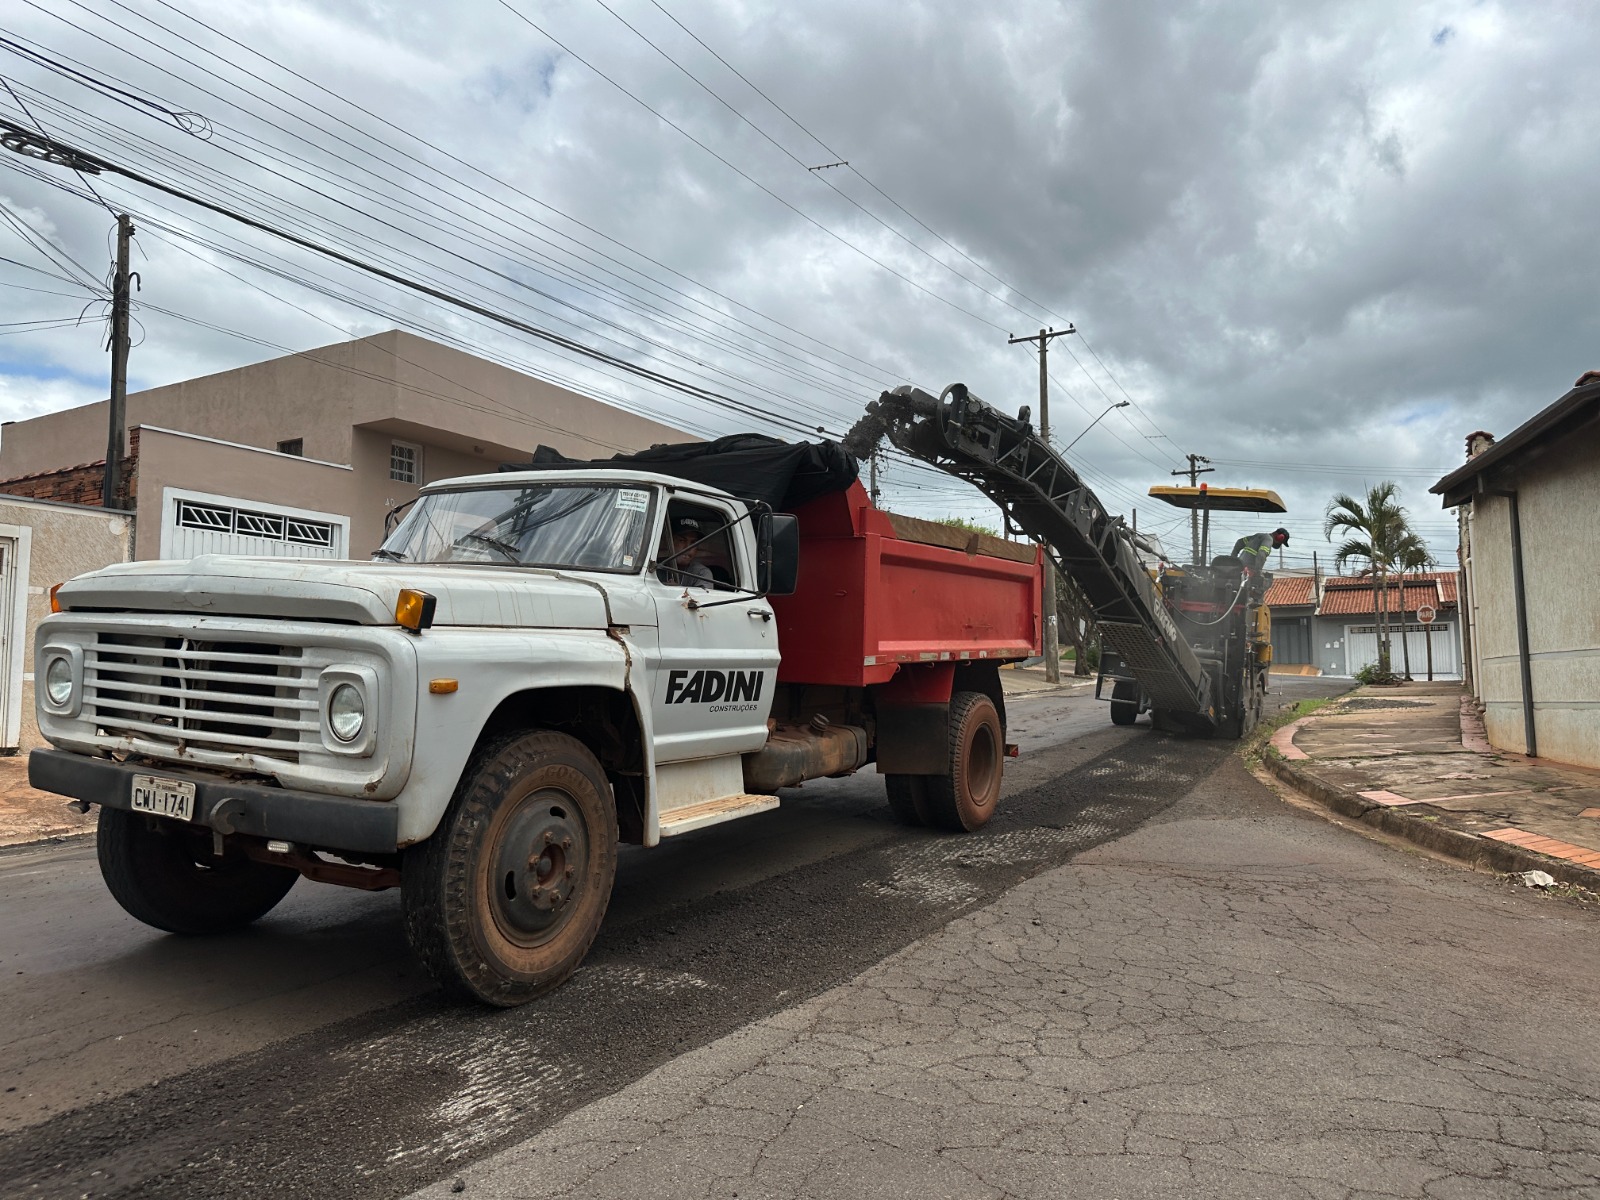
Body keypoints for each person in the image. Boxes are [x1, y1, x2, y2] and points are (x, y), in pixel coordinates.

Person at [658, 516, 715, 588]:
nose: (688, 547)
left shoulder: (701, 573)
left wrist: (677, 591)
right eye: (682, 540)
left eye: (693, 542)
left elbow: (702, 598)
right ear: (668, 542)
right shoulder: (654, 567)